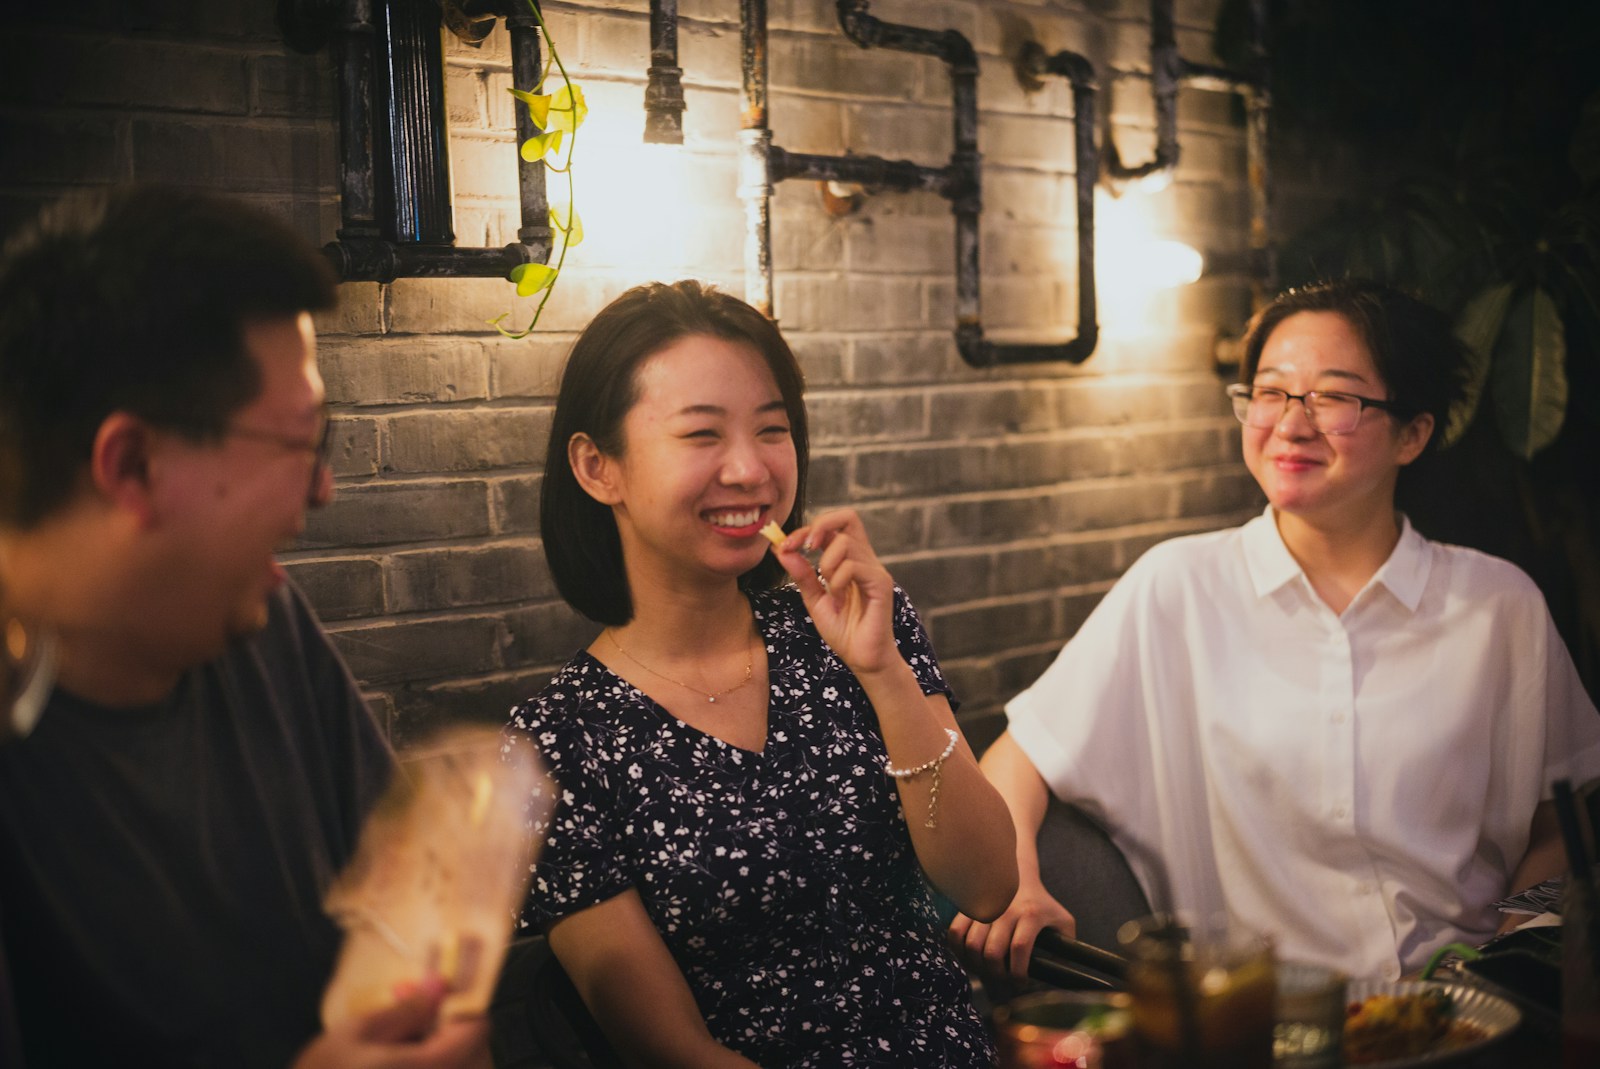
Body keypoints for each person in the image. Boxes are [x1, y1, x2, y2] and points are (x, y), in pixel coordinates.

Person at [950, 278, 1600, 983]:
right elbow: (1018, 760)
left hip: (1469, 1016)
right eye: (1270, 392)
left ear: (1413, 433)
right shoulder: (1180, 587)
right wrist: (1018, 885)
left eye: (1333, 396)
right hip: (1264, 1023)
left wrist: (1516, 949)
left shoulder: (1498, 605)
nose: (1291, 424)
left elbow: (1564, 818)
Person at [0, 186, 489, 1069]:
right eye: (305, 441)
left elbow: (397, 922)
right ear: (134, 465)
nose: (324, 488)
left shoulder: (259, 623)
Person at [503, 280, 1018, 1067]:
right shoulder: (557, 743)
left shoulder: (849, 627)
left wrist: (880, 670)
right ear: (598, 466)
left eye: (772, 430)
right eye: (702, 434)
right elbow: (672, 1046)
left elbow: (988, 884)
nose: (750, 469)